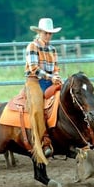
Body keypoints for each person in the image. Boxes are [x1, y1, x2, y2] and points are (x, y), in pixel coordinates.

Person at [24, 18, 63, 163]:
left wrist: (57, 77)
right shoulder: (32, 46)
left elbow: (56, 68)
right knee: (37, 108)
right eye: (46, 33)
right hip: (34, 81)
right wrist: (51, 77)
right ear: (39, 32)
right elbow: (34, 68)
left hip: (50, 80)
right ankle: (44, 140)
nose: (48, 36)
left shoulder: (52, 49)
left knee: (66, 98)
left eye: (50, 33)